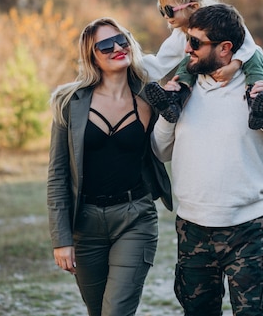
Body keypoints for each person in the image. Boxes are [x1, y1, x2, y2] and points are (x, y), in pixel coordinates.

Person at [151, 4, 263, 316]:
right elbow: (161, 152)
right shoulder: (181, 89)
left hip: (249, 228)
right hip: (193, 230)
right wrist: (167, 115)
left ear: (226, 48)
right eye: (188, 39)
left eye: (196, 43)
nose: (187, 48)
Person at [47, 17, 172, 316]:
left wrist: (186, 2)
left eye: (122, 40)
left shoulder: (148, 97)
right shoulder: (70, 102)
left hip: (135, 218)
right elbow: (57, 174)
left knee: (116, 311)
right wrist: (61, 239)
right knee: (97, 311)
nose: (117, 48)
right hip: (85, 224)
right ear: (92, 56)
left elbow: (186, 54)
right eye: (105, 45)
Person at [142, 0, 263, 130]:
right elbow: (160, 63)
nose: (166, 16)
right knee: (186, 62)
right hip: (202, 68)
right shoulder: (179, 35)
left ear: (194, 6)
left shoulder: (222, 19)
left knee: (256, 54)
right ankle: (175, 99)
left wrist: (234, 65)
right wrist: (129, 67)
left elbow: (248, 44)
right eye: (161, 10)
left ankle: (257, 99)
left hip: (241, 60)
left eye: (169, 10)